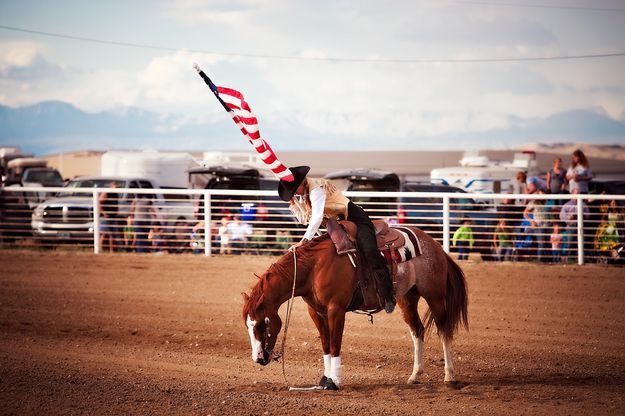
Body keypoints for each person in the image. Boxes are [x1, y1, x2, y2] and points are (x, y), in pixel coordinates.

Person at [277, 166, 396, 313]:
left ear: (302, 184)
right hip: (334, 225)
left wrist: (304, 241)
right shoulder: (303, 196)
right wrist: (294, 205)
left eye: (294, 190)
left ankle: (388, 294)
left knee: (370, 251)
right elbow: (304, 219)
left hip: (354, 218)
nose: (294, 194)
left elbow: (317, 217)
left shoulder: (316, 189)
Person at [523, 191, 549, 262]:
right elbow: (525, 213)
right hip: (539, 225)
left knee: (546, 243)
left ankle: (547, 260)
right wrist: (531, 221)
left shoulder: (547, 202)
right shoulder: (533, 202)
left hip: (547, 225)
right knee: (542, 243)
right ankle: (540, 260)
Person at [98, 181, 118, 253]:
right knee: (103, 233)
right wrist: (104, 213)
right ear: (111, 186)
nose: (116, 188)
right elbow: (99, 203)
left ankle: (111, 250)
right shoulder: (106, 193)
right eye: (114, 186)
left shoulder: (115, 194)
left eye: (116, 186)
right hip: (106, 217)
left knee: (112, 235)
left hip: (113, 216)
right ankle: (100, 249)